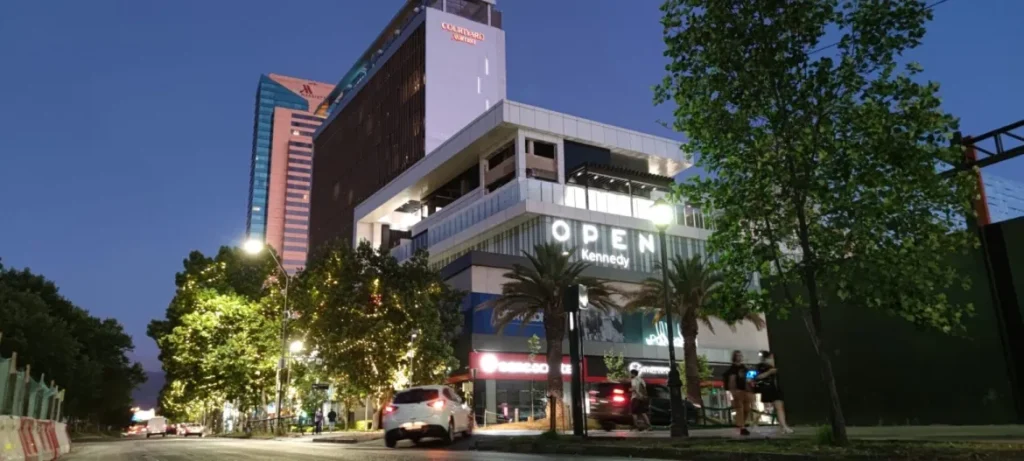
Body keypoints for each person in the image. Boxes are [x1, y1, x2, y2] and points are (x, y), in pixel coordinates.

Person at [755, 351, 794, 434]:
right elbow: (758, 377)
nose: (772, 359)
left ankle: (783, 426)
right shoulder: (761, 367)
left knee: (779, 407)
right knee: (772, 408)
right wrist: (769, 372)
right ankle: (783, 426)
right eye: (770, 357)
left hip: (776, 388)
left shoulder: (775, 366)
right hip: (768, 389)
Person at [723, 350, 750, 436]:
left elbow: (748, 377)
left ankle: (741, 424)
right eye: (738, 355)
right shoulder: (732, 369)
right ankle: (742, 427)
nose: (740, 357)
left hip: (745, 390)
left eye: (741, 355)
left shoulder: (744, 367)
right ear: (734, 357)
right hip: (737, 390)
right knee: (740, 409)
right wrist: (732, 391)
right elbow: (731, 380)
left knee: (747, 409)